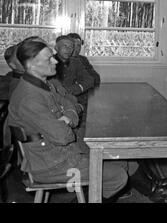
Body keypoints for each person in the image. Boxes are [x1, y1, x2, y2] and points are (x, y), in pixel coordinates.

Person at [7, 40, 129, 200]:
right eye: (49, 59)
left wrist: (68, 116)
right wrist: (70, 116)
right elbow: (64, 136)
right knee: (118, 175)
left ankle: (86, 196)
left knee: (119, 159)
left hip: (58, 153)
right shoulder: (30, 98)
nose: (55, 61)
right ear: (31, 65)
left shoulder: (42, 84)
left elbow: (71, 103)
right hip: (51, 164)